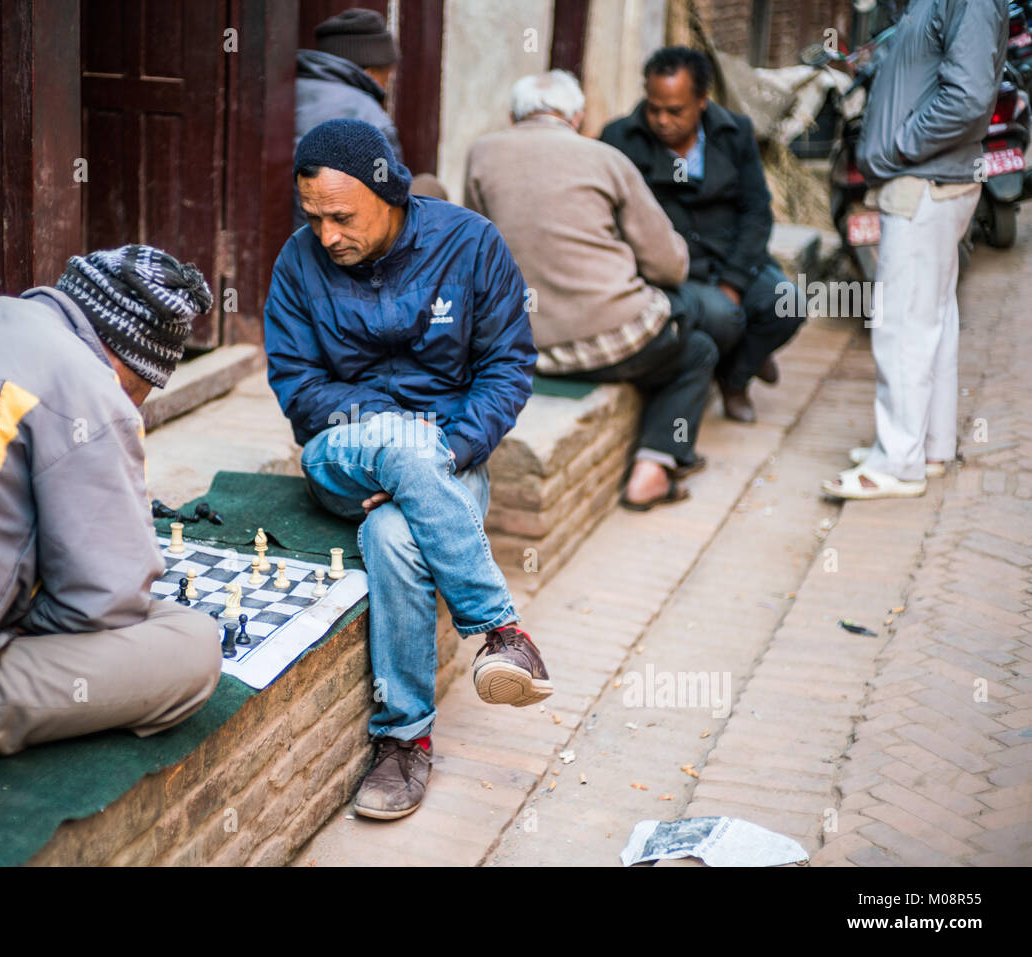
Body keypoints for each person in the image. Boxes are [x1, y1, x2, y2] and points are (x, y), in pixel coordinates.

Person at [264, 118, 551, 820]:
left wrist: (442, 451)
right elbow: (299, 387)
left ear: (389, 193)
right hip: (341, 452)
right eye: (313, 217)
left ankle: (404, 742)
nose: (326, 235)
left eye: (341, 216)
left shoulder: (470, 244)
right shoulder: (298, 264)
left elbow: (507, 367)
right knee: (398, 440)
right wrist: (393, 433)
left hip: (450, 456)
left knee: (395, 536)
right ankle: (501, 631)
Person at [0, 245, 221, 780]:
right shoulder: (89, 385)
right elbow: (103, 605)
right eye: (140, 394)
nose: (134, 408)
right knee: (190, 645)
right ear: (126, 367)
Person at [466, 70, 716, 510]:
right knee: (696, 346)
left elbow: (475, 247)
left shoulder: (481, 154)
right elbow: (669, 265)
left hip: (521, 347)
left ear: (513, 115)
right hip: (609, 346)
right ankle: (654, 469)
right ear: (577, 117)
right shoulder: (606, 158)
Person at [823, 0, 1007, 499]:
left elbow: (967, 98)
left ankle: (896, 462)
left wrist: (898, 146)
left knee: (901, 321)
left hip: (924, 180)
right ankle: (927, 448)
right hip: (928, 178)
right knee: (932, 316)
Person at [601, 46, 803, 424]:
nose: (662, 120)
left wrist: (735, 279)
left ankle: (736, 375)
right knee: (723, 317)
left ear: (702, 102)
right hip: (672, 270)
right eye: (654, 107)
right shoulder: (620, 139)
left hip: (732, 257)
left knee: (787, 303)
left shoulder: (735, 133)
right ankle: (743, 359)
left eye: (675, 111)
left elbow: (756, 211)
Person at [292, 7, 402, 230]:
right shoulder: (369, 117)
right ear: (370, 72)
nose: (387, 83)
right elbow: (390, 202)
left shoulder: (282, 92)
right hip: (333, 249)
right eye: (387, 74)